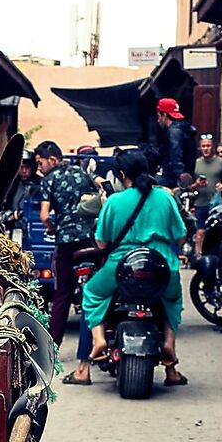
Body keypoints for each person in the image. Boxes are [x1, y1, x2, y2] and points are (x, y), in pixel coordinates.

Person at [65, 149, 187, 386]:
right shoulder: (165, 198)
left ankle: (98, 340)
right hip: (162, 267)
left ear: (122, 175)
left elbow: (102, 243)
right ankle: (169, 349)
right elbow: (181, 236)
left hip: (122, 267)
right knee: (172, 300)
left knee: (91, 292)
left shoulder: (114, 201)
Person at [32, 141, 95, 333]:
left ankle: (54, 342)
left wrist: (52, 228)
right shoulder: (81, 174)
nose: (39, 168)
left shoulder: (49, 180)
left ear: (52, 160)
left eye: (40, 163)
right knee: (95, 292)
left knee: (62, 295)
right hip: (88, 240)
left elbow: (44, 216)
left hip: (66, 243)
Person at [153, 97, 195, 187]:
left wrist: (180, 177)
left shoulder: (174, 132)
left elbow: (175, 156)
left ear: (164, 115)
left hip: (172, 179)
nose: (158, 120)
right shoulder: (185, 129)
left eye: (158, 116)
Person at [192, 133, 222, 212]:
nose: (206, 149)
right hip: (199, 204)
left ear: (213, 147)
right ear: (200, 148)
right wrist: (196, 185)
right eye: (203, 146)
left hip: (216, 204)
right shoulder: (195, 163)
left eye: (208, 146)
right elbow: (188, 187)